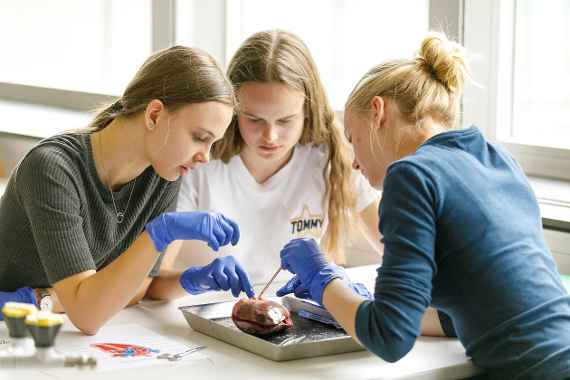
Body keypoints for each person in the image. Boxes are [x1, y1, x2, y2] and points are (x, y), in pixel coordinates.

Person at [277, 32, 570, 379]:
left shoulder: (410, 175)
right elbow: (464, 311)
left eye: (353, 139)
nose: (354, 163)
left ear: (378, 112)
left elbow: (389, 338)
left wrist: (321, 277)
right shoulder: (495, 157)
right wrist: (350, 302)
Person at [0, 46, 256, 333]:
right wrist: (159, 234)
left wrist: (192, 279)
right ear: (155, 115)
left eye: (212, 143)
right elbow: (88, 316)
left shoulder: (163, 172)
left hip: (40, 327)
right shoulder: (52, 169)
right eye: (199, 138)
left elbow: (137, 287)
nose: (204, 157)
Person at [176, 30, 382, 285]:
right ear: (233, 107)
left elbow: (395, 250)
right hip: (196, 311)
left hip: (289, 312)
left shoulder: (330, 157)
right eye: (254, 119)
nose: (270, 136)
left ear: (308, 110)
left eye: (285, 120)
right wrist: (195, 280)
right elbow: (154, 282)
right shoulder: (198, 162)